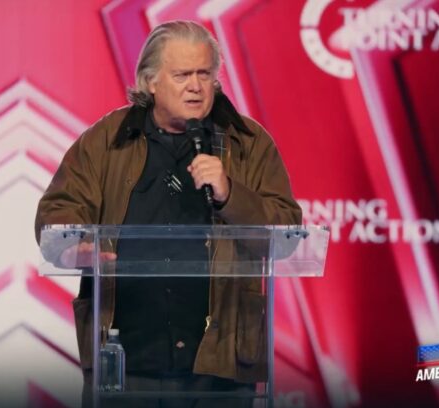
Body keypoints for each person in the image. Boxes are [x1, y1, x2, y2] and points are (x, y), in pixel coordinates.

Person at [35, 20, 301, 407]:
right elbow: (58, 211)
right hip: (126, 363)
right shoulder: (106, 141)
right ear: (151, 82)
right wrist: (73, 246)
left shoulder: (248, 143)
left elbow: (286, 234)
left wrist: (230, 194)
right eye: (182, 75)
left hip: (220, 369)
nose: (196, 86)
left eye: (204, 74)